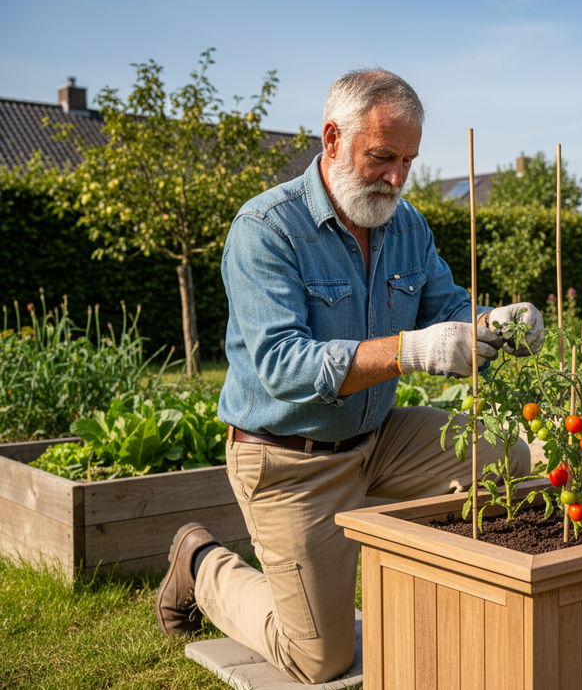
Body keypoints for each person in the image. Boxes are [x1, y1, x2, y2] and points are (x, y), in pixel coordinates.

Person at [154, 68, 541, 684]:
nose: (397, 178)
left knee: (508, 458)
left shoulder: (407, 226)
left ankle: (446, 596)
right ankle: (201, 564)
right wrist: (412, 351)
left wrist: (494, 322)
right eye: (382, 157)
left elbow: (446, 308)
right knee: (318, 660)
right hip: (290, 460)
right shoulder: (266, 229)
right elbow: (283, 366)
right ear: (332, 138)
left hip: (378, 438)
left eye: (408, 161)